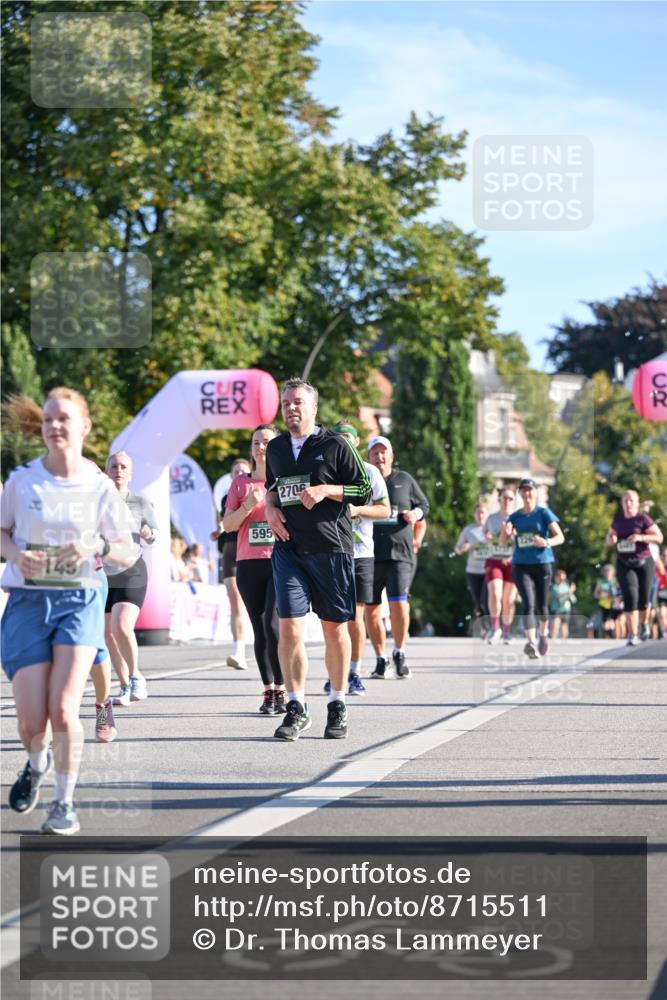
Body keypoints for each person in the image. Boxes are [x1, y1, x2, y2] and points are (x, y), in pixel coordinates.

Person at [1, 388, 137, 834]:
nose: (55, 426)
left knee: (63, 709)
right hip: (27, 603)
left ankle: (63, 803)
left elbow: (127, 550)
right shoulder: (22, 480)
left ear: (84, 426)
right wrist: (16, 556)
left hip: (79, 602)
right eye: (48, 419)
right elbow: (1, 531)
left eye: (64, 418)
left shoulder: (99, 486)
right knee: (30, 721)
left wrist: (96, 545)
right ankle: (37, 763)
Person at [264, 378, 371, 741]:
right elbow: (272, 488)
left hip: (331, 549)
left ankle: (337, 703)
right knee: (289, 628)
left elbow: (364, 490)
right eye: (286, 403)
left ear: (313, 407)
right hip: (289, 549)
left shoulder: (336, 445)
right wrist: (270, 509)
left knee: (334, 629)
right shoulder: (276, 448)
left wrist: (327, 489)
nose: (291, 408)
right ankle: (296, 707)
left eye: (297, 402)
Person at [322, 422, 391, 695]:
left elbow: (385, 509)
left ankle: (354, 672)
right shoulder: (326, 471)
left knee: (355, 617)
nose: (344, 444)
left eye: (348, 439)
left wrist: (358, 509)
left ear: (356, 442)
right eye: (339, 439)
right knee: (334, 619)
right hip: (332, 551)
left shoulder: (370, 472)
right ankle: (335, 673)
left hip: (362, 553)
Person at [223, 424, 286, 715]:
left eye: (266, 442)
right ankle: (269, 691)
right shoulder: (240, 484)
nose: (261, 447)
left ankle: (283, 689)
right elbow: (228, 525)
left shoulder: (284, 480)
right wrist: (247, 505)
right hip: (248, 563)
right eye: (256, 443)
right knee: (259, 628)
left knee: (273, 626)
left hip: (279, 560)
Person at [364, 436, 429, 680]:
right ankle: (381, 658)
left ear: (391, 456)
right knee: (371, 610)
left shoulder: (405, 479)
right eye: (375, 453)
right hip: (370, 554)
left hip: (400, 554)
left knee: (399, 603)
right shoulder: (364, 480)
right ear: (368, 457)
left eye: (384, 452)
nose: (379, 457)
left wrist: (415, 514)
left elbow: (424, 505)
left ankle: (399, 653)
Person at [105, 452, 158, 707]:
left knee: (122, 625)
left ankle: (136, 677)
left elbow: (154, 534)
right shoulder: (98, 503)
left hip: (132, 569)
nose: (118, 470)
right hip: (103, 572)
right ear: (107, 471)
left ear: (131, 473)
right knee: (108, 634)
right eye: (114, 466)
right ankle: (125, 684)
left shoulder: (140, 501)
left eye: (123, 466)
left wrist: (148, 532)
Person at [500, 478, 565, 659]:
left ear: (535, 492)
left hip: (542, 564)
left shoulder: (543, 513)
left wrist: (546, 542)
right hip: (521, 565)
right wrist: (506, 532)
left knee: (541, 606)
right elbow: (502, 542)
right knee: (528, 603)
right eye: (523, 490)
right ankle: (531, 642)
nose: (527, 494)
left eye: (530, 490)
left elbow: (560, 537)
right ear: (520, 494)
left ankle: (543, 635)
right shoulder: (515, 517)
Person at [605, 489, 663, 645]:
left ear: (637, 503)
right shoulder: (617, 520)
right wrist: (611, 539)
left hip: (644, 562)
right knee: (630, 597)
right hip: (624, 563)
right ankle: (633, 634)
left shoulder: (643, 519)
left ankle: (644, 624)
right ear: (622, 503)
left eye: (631, 500)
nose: (628, 503)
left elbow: (659, 537)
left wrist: (641, 537)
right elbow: (609, 537)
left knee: (644, 600)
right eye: (625, 500)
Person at [210, 457, 252, 669]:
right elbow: (226, 521)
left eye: (243, 471)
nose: (239, 474)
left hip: (254, 549)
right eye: (236, 472)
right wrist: (218, 531)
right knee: (235, 601)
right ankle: (239, 651)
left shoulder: (261, 490)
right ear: (231, 476)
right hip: (232, 548)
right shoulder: (227, 497)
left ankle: (270, 646)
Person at [483, 488, 518, 644]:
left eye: (510, 498)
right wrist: (488, 537)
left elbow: (523, 540)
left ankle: (507, 632)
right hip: (494, 560)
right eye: (504, 498)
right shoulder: (491, 518)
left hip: (513, 561)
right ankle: (495, 627)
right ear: (499, 500)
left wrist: (513, 534)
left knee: (508, 600)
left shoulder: (518, 518)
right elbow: (484, 536)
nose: (507, 501)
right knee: (495, 594)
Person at [454, 503, 490, 634]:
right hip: (473, 571)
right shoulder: (468, 530)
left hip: (489, 570)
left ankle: (492, 626)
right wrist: (463, 548)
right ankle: (484, 628)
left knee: (487, 600)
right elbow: (457, 549)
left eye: (483, 512)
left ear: (487, 515)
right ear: (474, 515)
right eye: (478, 513)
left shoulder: (491, 529)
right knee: (478, 602)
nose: (480, 515)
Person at [593, 564, 624, 639]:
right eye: (606, 572)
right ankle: (609, 636)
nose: (607, 574)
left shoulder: (615, 581)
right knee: (605, 622)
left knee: (615, 621)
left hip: (614, 605)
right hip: (604, 604)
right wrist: (602, 595)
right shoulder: (600, 581)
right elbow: (595, 594)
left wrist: (616, 598)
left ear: (612, 573)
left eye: (609, 573)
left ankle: (617, 636)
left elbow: (620, 592)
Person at [549, 569, 576, 639]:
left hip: (566, 609)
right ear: (556, 578)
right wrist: (570, 592)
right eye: (560, 578)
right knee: (555, 626)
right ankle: (553, 640)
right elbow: (560, 598)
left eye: (563, 578)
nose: (562, 580)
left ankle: (564, 642)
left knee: (564, 627)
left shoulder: (566, 586)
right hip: (556, 610)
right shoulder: (554, 587)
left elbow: (574, 600)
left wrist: (570, 594)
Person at [655, 548, 667, 639]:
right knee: (662, 614)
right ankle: (664, 632)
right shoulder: (658, 567)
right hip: (662, 595)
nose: (665, 557)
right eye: (664, 555)